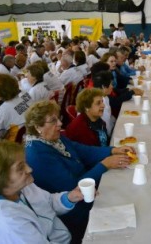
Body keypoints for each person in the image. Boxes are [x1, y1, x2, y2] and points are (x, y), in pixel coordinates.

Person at [24, 100, 133, 243]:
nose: (60, 124)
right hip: (77, 210)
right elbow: (73, 186)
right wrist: (104, 165)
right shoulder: (38, 155)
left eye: (58, 118)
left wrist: (112, 150)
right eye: (53, 121)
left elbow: (82, 150)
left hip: (88, 190)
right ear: (38, 127)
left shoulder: (53, 139)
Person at [0, 140, 84, 243]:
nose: (29, 169)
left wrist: (70, 197)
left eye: (25, 163)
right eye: (20, 167)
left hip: (63, 236)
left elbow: (48, 202)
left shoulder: (21, 186)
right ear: (0, 177)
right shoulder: (9, 222)